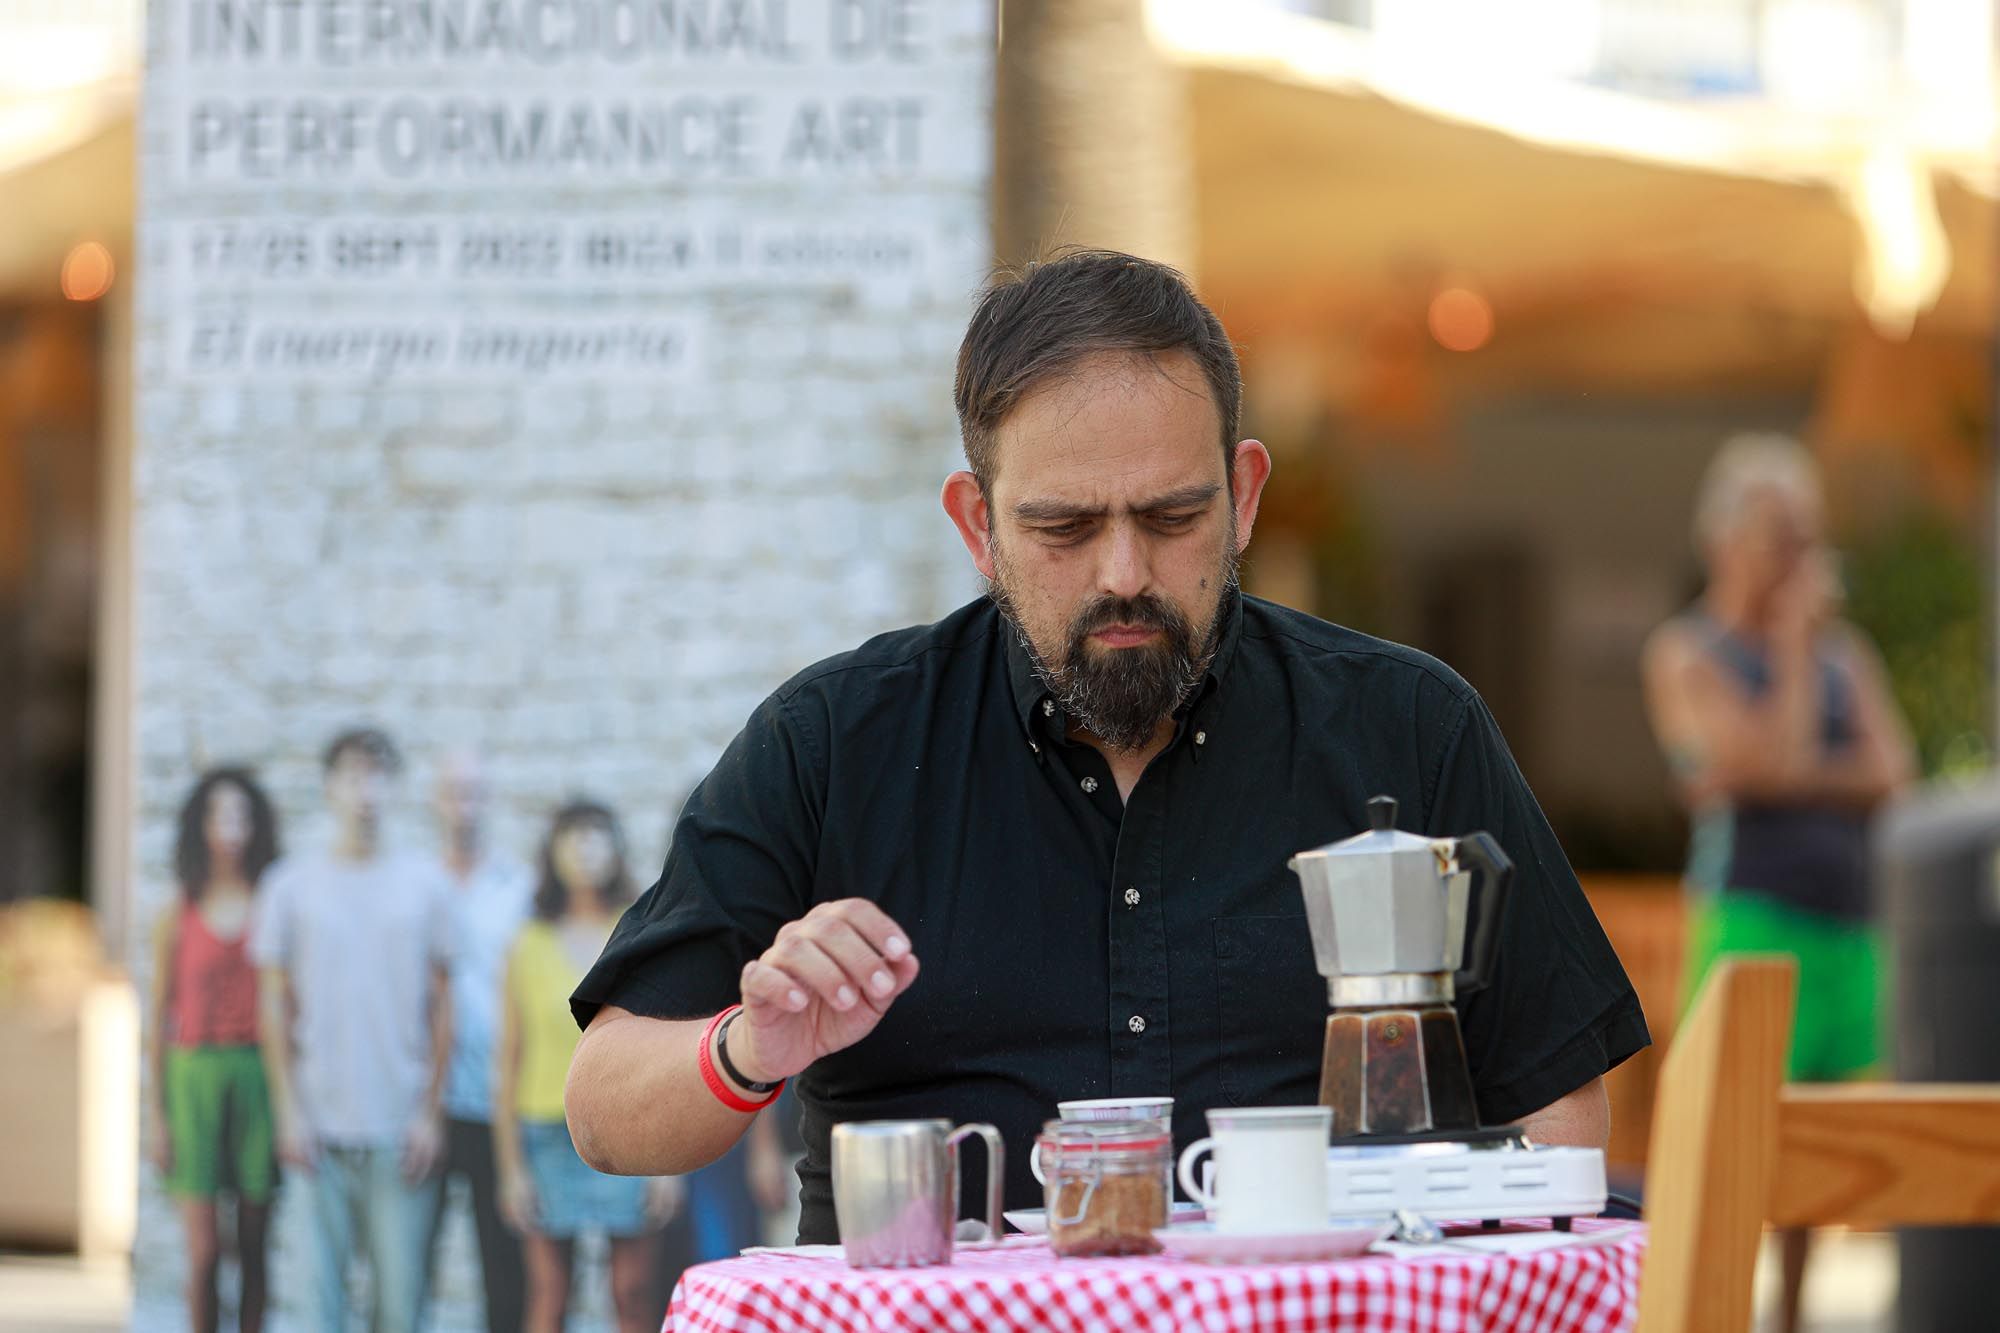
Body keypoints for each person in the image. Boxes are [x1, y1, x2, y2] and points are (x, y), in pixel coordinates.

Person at [563, 249, 1649, 1244]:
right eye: (1064, 528)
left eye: (1171, 517)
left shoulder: (1409, 725)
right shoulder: (834, 741)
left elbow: (1552, 1102)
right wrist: (750, 1048)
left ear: (1245, 493)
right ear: (975, 524)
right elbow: (605, 1108)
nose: (1122, 572)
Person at [1642, 433, 1914, 1333]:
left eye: (1809, 535)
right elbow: (1754, 757)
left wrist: (1781, 766)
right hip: (1751, 921)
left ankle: (1794, 1318)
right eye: (1781, 536)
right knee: (1738, 1137)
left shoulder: (1849, 655)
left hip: (1847, 926)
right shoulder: (1686, 651)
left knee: (1822, 1144)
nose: (1801, 557)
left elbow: (1892, 772)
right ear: (1725, 539)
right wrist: (1796, 664)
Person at [252, 728, 454, 1333]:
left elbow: (443, 1009)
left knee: (400, 1307)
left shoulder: (425, 884)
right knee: (319, 1307)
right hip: (318, 1129)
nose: (366, 790)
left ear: (394, 787)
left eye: (378, 775)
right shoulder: (289, 885)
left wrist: (430, 1113)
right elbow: (274, 1008)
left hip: (399, 1130)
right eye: (352, 775)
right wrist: (288, 1113)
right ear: (328, 787)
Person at [494, 801, 676, 1333]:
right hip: (546, 1133)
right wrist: (510, 1170)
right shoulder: (527, 943)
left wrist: (670, 1165)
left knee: (633, 1292)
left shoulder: (640, 932)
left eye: (597, 835)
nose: (586, 847)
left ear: (615, 847)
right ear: (553, 853)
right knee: (551, 1295)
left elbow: (663, 1049)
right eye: (573, 836)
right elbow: (508, 1062)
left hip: (632, 1128)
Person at [147, 768, 282, 1333]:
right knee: (203, 1251)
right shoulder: (177, 912)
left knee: (252, 1243)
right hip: (193, 1075)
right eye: (218, 816)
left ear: (256, 826)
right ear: (199, 827)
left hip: (257, 1073)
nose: (230, 830)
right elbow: (157, 1017)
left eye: (240, 816)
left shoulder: (273, 904)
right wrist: (156, 1116)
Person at [424, 751, 532, 1333]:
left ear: (487, 801)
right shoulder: (417, 883)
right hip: (429, 1104)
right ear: (436, 801)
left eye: (473, 793)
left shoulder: (518, 888)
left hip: (498, 1103)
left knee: (505, 1271)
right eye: (453, 792)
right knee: (411, 1261)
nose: (463, 806)